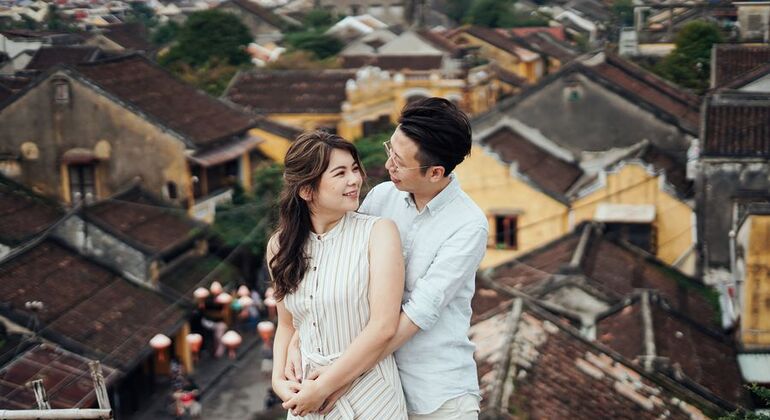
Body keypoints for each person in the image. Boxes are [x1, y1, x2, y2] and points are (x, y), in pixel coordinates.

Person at [285, 97, 488, 419]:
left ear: (435, 173)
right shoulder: (382, 196)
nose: (389, 164)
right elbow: (340, 269)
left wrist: (333, 382)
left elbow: (414, 316)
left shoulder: (467, 225)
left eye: (399, 160)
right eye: (390, 149)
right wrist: (302, 335)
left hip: (436, 393)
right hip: (373, 383)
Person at [268, 131, 408, 419]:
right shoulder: (279, 247)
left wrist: (326, 386)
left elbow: (383, 327)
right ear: (307, 190)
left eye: (355, 169)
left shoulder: (378, 232)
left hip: (371, 395)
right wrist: (277, 379)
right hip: (306, 399)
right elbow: (287, 325)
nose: (355, 180)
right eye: (340, 173)